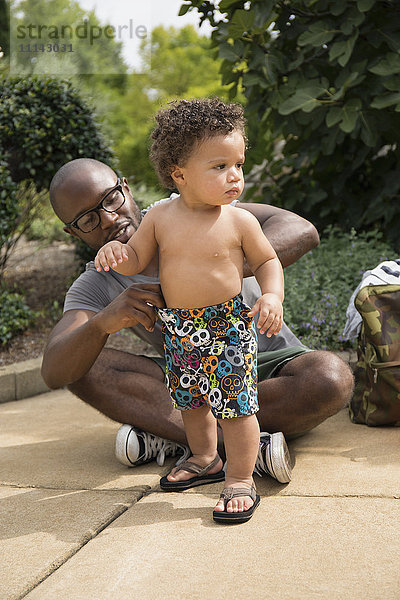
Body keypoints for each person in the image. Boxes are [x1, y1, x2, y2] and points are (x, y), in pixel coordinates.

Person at [42, 132, 353, 506]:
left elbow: (303, 230)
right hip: (189, 369)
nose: (109, 218)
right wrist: (103, 322)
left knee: (329, 378)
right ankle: (235, 448)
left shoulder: (194, 205)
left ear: (125, 187)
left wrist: (214, 269)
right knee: (83, 364)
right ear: (72, 232)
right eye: (89, 219)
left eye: (111, 199)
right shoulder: (98, 279)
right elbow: (55, 370)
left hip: (263, 360)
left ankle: (178, 439)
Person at [93, 98, 285, 523]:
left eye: (238, 164)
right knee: (191, 403)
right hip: (179, 329)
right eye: (219, 166)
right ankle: (204, 458)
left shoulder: (239, 222)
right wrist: (114, 251)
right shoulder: (160, 216)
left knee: (236, 408)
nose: (234, 175)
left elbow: (269, 262)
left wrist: (271, 296)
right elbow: (136, 257)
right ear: (178, 173)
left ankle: (239, 479)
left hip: (228, 327)